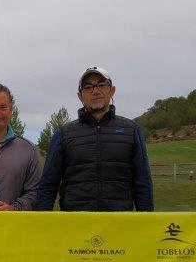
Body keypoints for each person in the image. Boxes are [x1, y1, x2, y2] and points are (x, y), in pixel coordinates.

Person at [36, 66, 153, 211]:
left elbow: (143, 185)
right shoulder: (63, 135)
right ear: (80, 96)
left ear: (112, 90)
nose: (95, 91)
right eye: (88, 87)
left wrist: (146, 225)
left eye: (101, 84)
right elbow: (48, 186)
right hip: (75, 226)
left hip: (119, 226)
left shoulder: (132, 131)